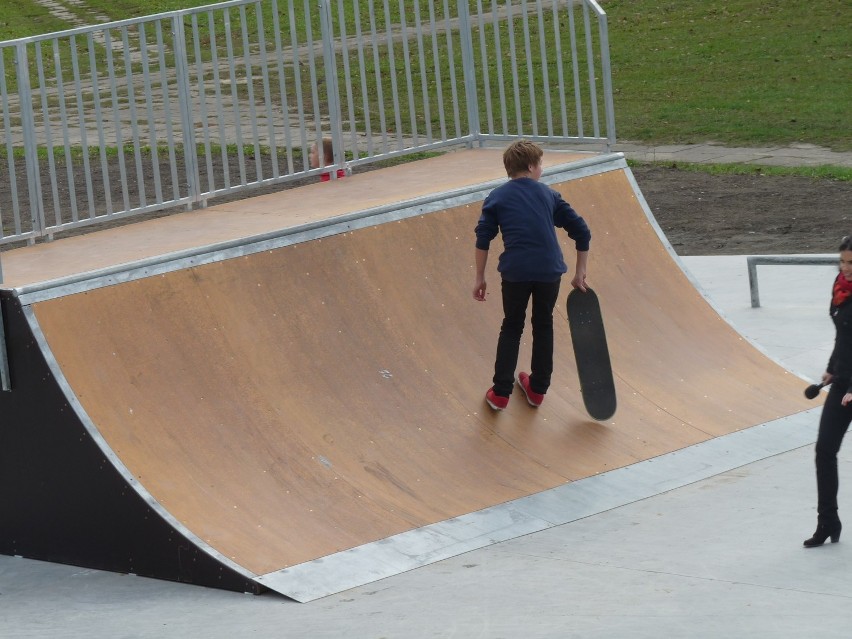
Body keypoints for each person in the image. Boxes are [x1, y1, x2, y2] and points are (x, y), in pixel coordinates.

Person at [473, 139, 591, 411]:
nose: (541, 170)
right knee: (543, 323)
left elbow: (483, 239)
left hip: (516, 273)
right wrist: (580, 272)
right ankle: (537, 389)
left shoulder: (497, 197)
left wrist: (479, 277)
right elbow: (582, 232)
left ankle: (501, 393)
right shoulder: (549, 195)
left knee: (512, 326)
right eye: (540, 165)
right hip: (549, 271)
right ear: (530, 166)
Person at [806, 236, 852, 547]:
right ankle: (828, 521)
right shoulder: (840, 290)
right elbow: (843, 336)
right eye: (842, 262)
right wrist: (832, 367)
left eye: (851, 263)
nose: (845, 268)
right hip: (843, 381)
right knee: (824, 451)